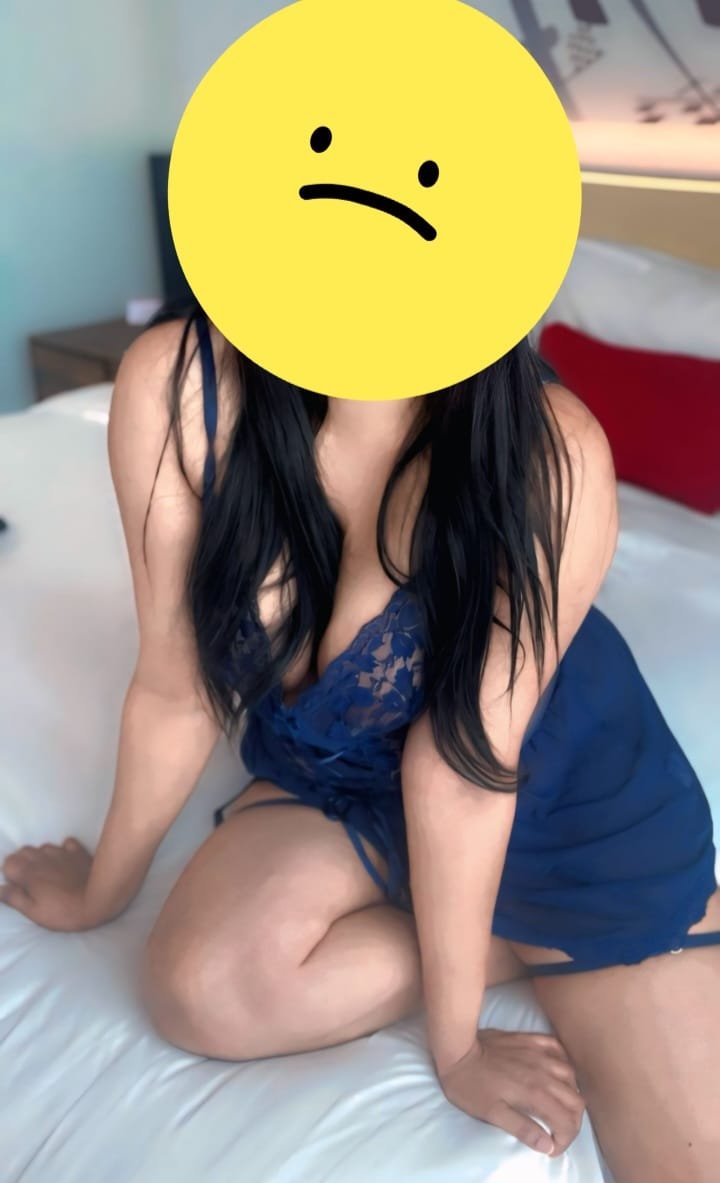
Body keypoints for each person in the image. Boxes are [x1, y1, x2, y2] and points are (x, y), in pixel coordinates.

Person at [2, 301, 719, 1183]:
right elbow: (175, 686)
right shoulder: (182, 383)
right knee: (200, 986)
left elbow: (460, 771)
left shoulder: (550, 449)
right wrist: (97, 894)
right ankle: (498, 942)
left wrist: (457, 1045)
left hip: (548, 787)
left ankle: (542, 936)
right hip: (339, 766)